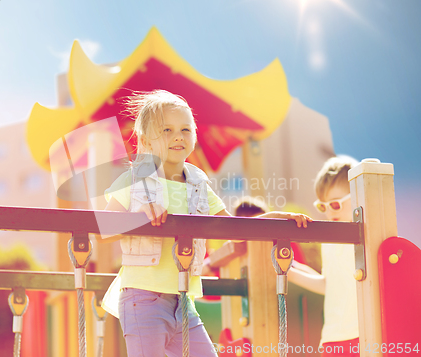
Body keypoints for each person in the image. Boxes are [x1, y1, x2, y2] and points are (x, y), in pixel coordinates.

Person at [99, 89, 312, 357]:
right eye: (166, 130)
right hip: (143, 299)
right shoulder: (133, 182)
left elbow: (234, 229)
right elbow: (102, 230)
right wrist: (139, 213)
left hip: (183, 302)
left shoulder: (198, 185)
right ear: (145, 141)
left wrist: (273, 220)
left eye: (186, 129)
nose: (178, 136)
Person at [287, 156, 360, 357]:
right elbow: (329, 284)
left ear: (359, 196)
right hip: (333, 336)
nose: (329, 211)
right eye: (323, 206)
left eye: (335, 205)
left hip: (362, 333)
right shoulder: (329, 240)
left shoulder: (367, 237)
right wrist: (290, 272)